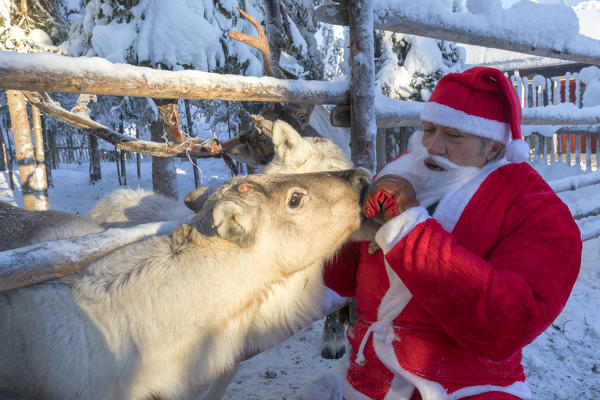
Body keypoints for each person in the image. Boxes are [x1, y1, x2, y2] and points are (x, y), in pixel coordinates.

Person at [323, 66, 582, 400]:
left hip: (468, 387)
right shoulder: (404, 170)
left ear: (492, 147)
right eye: (428, 129)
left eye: (454, 135)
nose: (433, 146)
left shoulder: (540, 213)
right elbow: (342, 278)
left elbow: (506, 323)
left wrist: (408, 228)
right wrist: (334, 224)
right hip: (368, 380)